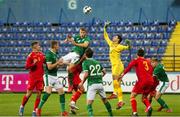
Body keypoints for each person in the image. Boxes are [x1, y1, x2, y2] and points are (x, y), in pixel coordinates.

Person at [60, 28, 90, 111]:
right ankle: (70, 88)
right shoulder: (77, 37)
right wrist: (67, 39)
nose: (82, 34)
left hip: (76, 66)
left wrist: (75, 43)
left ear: (86, 33)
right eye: (81, 32)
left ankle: (72, 107)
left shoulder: (87, 39)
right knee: (80, 89)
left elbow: (85, 45)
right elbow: (69, 40)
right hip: (74, 64)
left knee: (75, 90)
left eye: (83, 32)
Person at [35, 41, 68, 116]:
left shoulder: (55, 53)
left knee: (62, 92)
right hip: (48, 76)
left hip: (55, 76)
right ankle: (38, 109)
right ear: (54, 46)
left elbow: (55, 66)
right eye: (58, 45)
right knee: (48, 92)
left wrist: (61, 64)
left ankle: (63, 112)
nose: (59, 46)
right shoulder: (49, 54)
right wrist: (58, 62)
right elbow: (49, 67)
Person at [103, 21, 131, 109]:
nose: (113, 37)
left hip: (118, 65)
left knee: (115, 81)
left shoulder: (119, 46)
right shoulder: (111, 44)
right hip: (114, 66)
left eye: (115, 37)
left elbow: (128, 48)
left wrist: (128, 44)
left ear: (118, 39)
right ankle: (117, 96)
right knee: (116, 82)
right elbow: (105, 36)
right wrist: (105, 27)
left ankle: (119, 98)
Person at [119, 48, 154, 116]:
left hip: (142, 81)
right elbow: (151, 71)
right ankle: (149, 107)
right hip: (150, 81)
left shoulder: (136, 60)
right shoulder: (148, 62)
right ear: (144, 54)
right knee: (144, 98)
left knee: (132, 96)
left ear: (137, 55)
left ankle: (134, 113)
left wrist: (122, 74)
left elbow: (129, 67)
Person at [79, 48, 113, 116]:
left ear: (85, 54)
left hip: (92, 84)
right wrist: (99, 77)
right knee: (105, 100)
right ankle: (111, 115)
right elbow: (104, 72)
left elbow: (86, 74)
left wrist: (81, 83)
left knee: (89, 104)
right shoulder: (97, 62)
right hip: (100, 84)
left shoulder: (85, 62)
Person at [19, 41, 45, 116]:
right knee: (29, 94)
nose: (39, 46)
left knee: (39, 94)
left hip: (40, 78)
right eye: (38, 45)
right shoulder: (30, 56)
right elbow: (26, 67)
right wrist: (33, 64)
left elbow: (46, 62)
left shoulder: (41, 55)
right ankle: (22, 106)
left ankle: (34, 111)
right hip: (33, 78)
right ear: (34, 47)